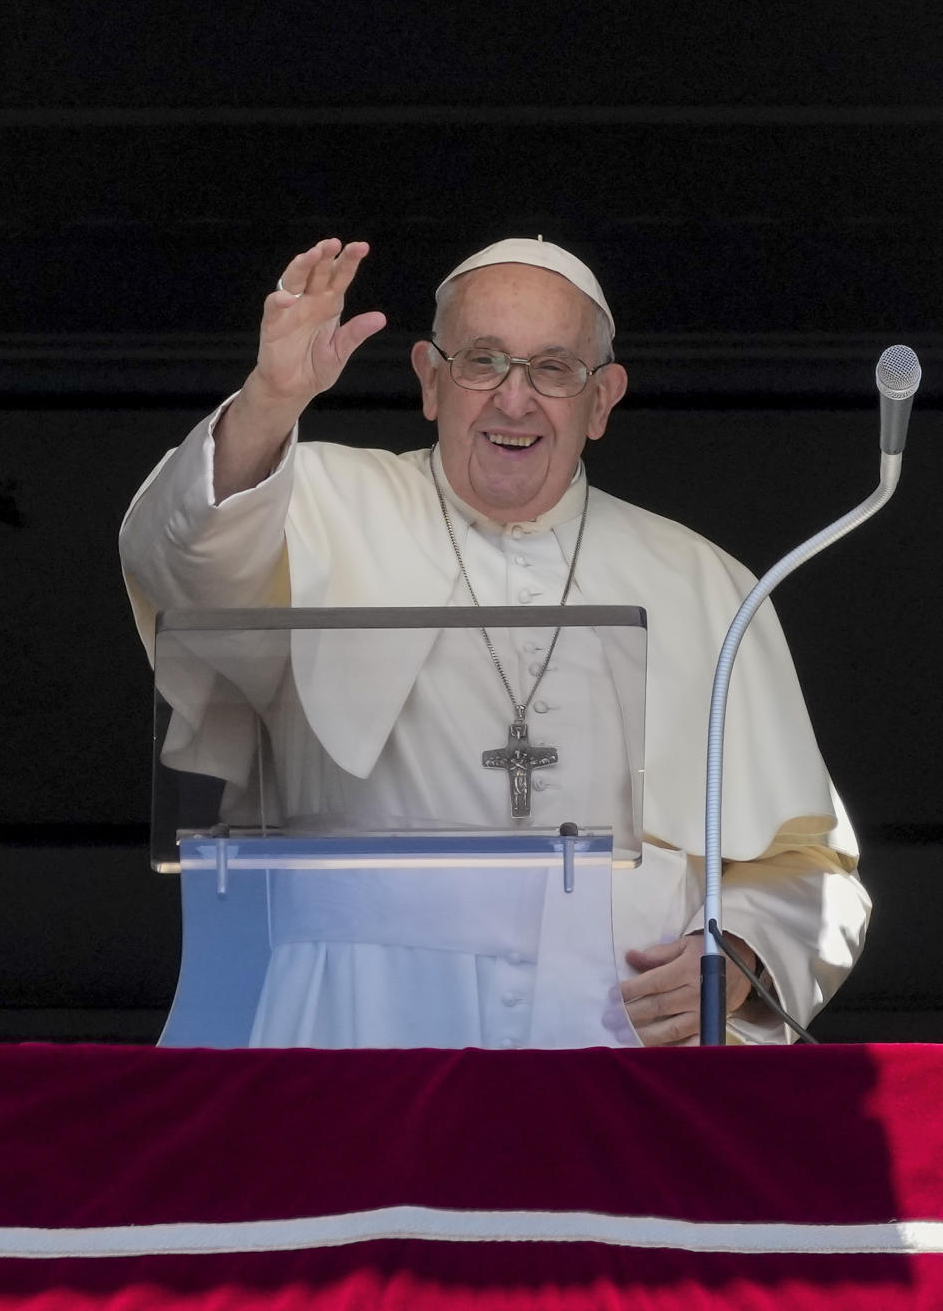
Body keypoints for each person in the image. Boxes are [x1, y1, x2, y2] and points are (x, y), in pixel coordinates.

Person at [121, 236, 870, 1048]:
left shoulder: (707, 582)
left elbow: (811, 866)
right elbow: (181, 561)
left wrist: (740, 954)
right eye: (482, 361)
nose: (514, 401)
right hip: (358, 1013)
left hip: (622, 1030)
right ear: (429, 380)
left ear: (603, 400)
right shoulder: (312, 500)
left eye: (554, 370)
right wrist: (269, 398)